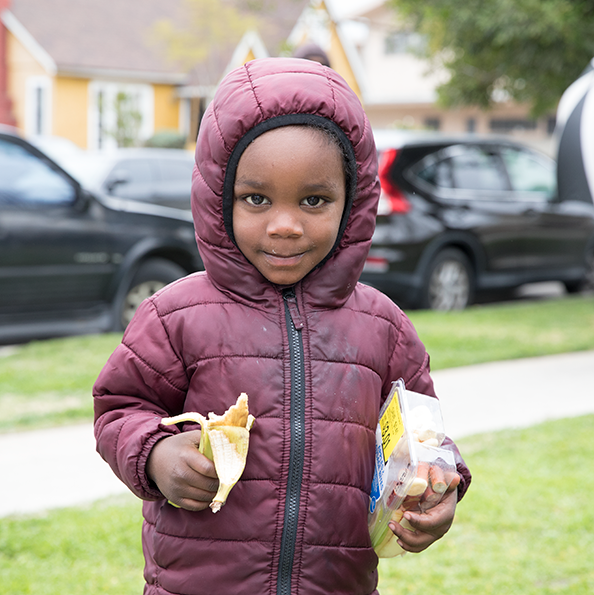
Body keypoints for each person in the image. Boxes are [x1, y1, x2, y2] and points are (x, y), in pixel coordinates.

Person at [93, 57, 471, 595]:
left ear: (353, 202)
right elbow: (120, 408)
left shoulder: (384, 328)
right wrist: (155, 455)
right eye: (257, 199)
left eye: (314, 200)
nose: (286, 225)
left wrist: (442, 487)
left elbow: (425, 437)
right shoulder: (175, 315)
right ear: (219, 198)